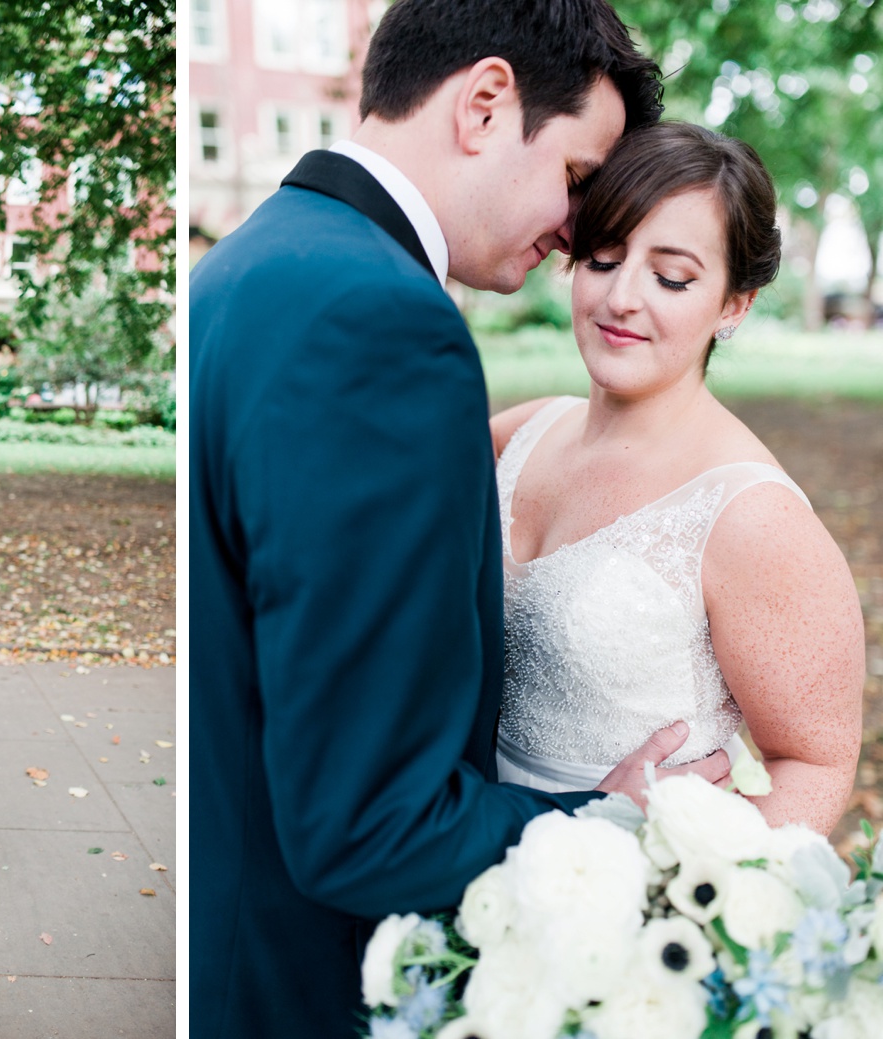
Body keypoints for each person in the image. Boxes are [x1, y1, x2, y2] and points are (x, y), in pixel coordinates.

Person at [189, 1, 730, 1033]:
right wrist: (608, 826)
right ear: (484, 103)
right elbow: (365, 825)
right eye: (576, 178)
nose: (578, 230)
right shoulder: (381, 322)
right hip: (296, 982)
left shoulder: (246, 265)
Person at [491, 121, 864, 833]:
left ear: (734, 303)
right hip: (455, 849)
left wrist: (675, 891)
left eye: (671, 276)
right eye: (603, 258)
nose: (622, 297)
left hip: (626, 899)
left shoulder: (754, 516)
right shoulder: (517, 433)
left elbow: (814, 763)